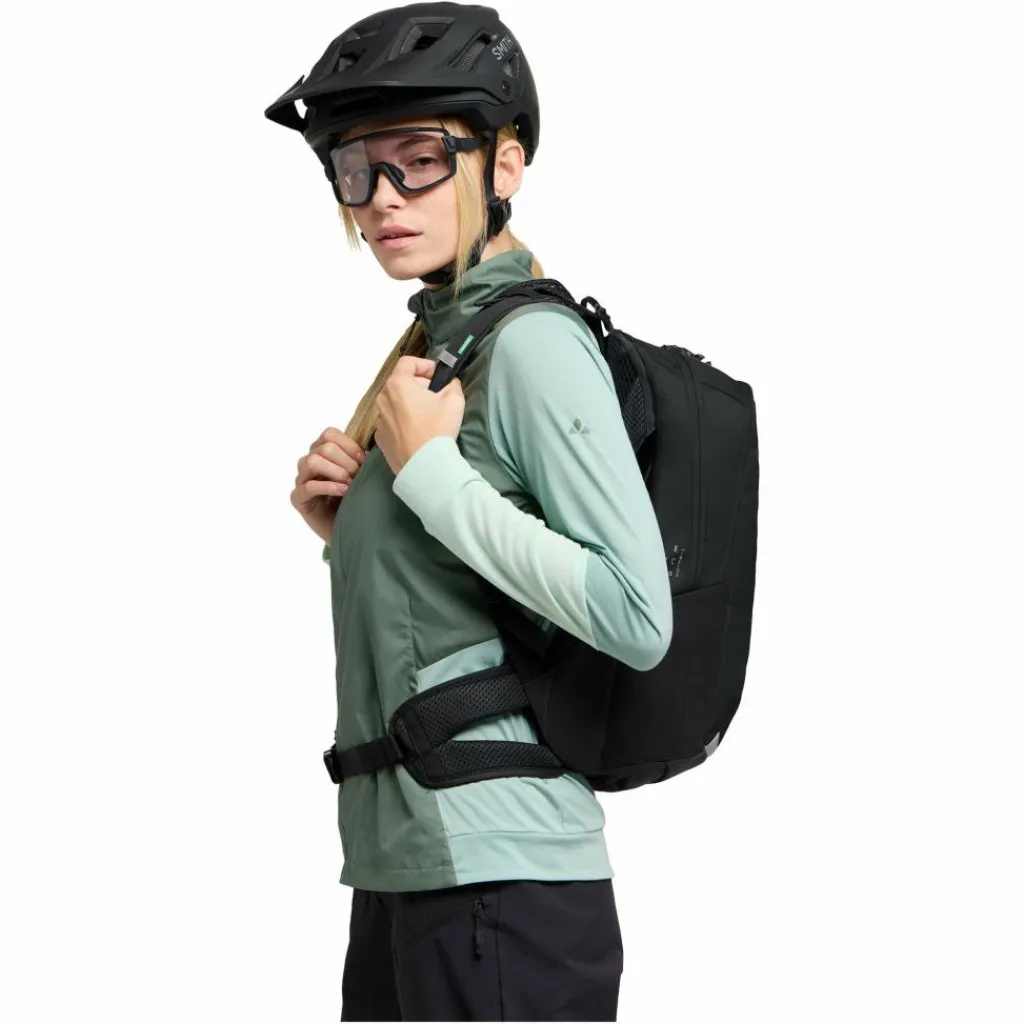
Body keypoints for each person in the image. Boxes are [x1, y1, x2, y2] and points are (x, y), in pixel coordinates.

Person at [265, 4, 673, 1019]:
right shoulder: (440, 341)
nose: (381, 199)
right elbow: (456, 607)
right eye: (357, 169)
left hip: (502, 884)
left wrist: (432, 478)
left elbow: (636, 613)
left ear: (505, 164)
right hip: (407, 868)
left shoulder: (532, 346)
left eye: (418, 161)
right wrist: (352, 530)